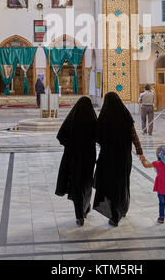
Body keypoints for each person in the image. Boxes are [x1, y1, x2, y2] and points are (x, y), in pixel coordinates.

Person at [93, 92, 145, 227]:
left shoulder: (104, 117)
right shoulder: (125, 115)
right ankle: (122, 208)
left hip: (107, 159)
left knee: (109, 185)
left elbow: (97, 137)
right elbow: (134, 136)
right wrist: (140, 152)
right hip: (123, 158)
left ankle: (114, 215)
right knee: (122, 183)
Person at [55, 96, 97, 227]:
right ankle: (85, 208)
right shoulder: (92, 119)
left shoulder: (72, 119)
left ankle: (79, 214)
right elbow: (100, 136)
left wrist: (71, 145)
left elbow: (61, 136)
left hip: (73, 157)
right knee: (86, 182)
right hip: (88, 157)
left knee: (76, 183)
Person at [142, 145, 165, 226]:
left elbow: (145, 166)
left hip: (160, 184)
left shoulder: (157, 163)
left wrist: (143, 160)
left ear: (159, 155)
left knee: (162, 202)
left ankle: (161, 217)